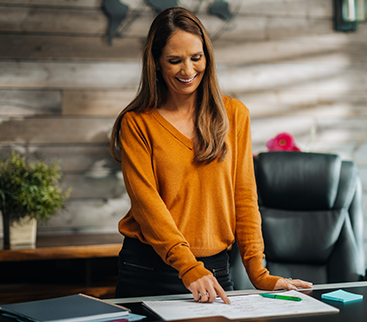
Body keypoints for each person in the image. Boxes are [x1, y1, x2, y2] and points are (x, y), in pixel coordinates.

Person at [109, 7, 312, 304]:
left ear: (207, 57)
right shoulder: (137, 123)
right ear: (155, 63)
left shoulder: (234, 115)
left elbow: (244, 197)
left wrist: (259, 272)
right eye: (174, 60)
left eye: (196, 58)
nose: (188, 71)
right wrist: (188, 266)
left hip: (215, 271)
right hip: (149, 270)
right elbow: (147, 205)